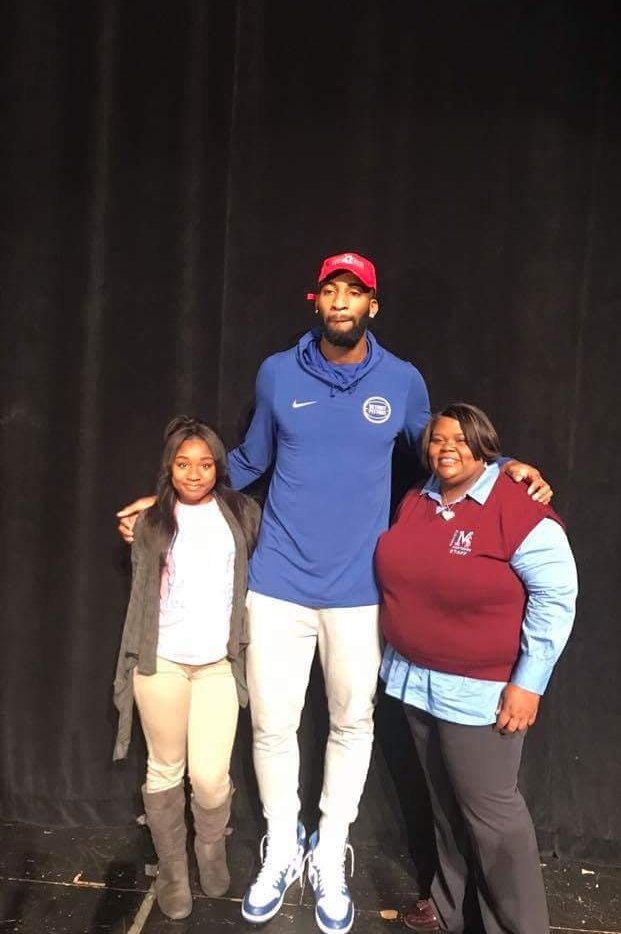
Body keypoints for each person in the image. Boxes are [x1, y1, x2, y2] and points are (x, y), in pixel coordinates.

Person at [116, 253, 552, 934]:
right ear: (315, 300)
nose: (343, 301)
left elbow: (439, 453)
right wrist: (169, 496)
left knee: (352, 724)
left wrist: (502, 465)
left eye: (357, 292)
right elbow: (251, 458)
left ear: (372, 306)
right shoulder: (277, 372)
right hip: (279, 585)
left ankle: (329, 850)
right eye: (332, 290)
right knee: (271, 725)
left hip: (359, 593)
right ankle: (284, 846)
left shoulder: (402, 380)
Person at [375, 403, 577, 934]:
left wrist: (528, 684)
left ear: (486, 445)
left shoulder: (516, 504)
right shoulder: (416, 500)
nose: (447, 449)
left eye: (461, 441)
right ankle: (447, 905)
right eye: (438, 440)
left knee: (492, 819)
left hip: (481, 692)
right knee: (442, 807)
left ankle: (518, 925)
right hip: (415, 682)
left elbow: (556, 597)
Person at [113, 416, 260, 920]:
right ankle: (174, 868)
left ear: (218, 467)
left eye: (204, 464)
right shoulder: (151, 520)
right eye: (182, 464)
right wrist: (149, 512)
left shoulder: (242, 513)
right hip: (162, 662)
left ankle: (210, 851)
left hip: (218, 665)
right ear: (169, 468)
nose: (194, 473)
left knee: (210, 777)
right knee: (164, 769)